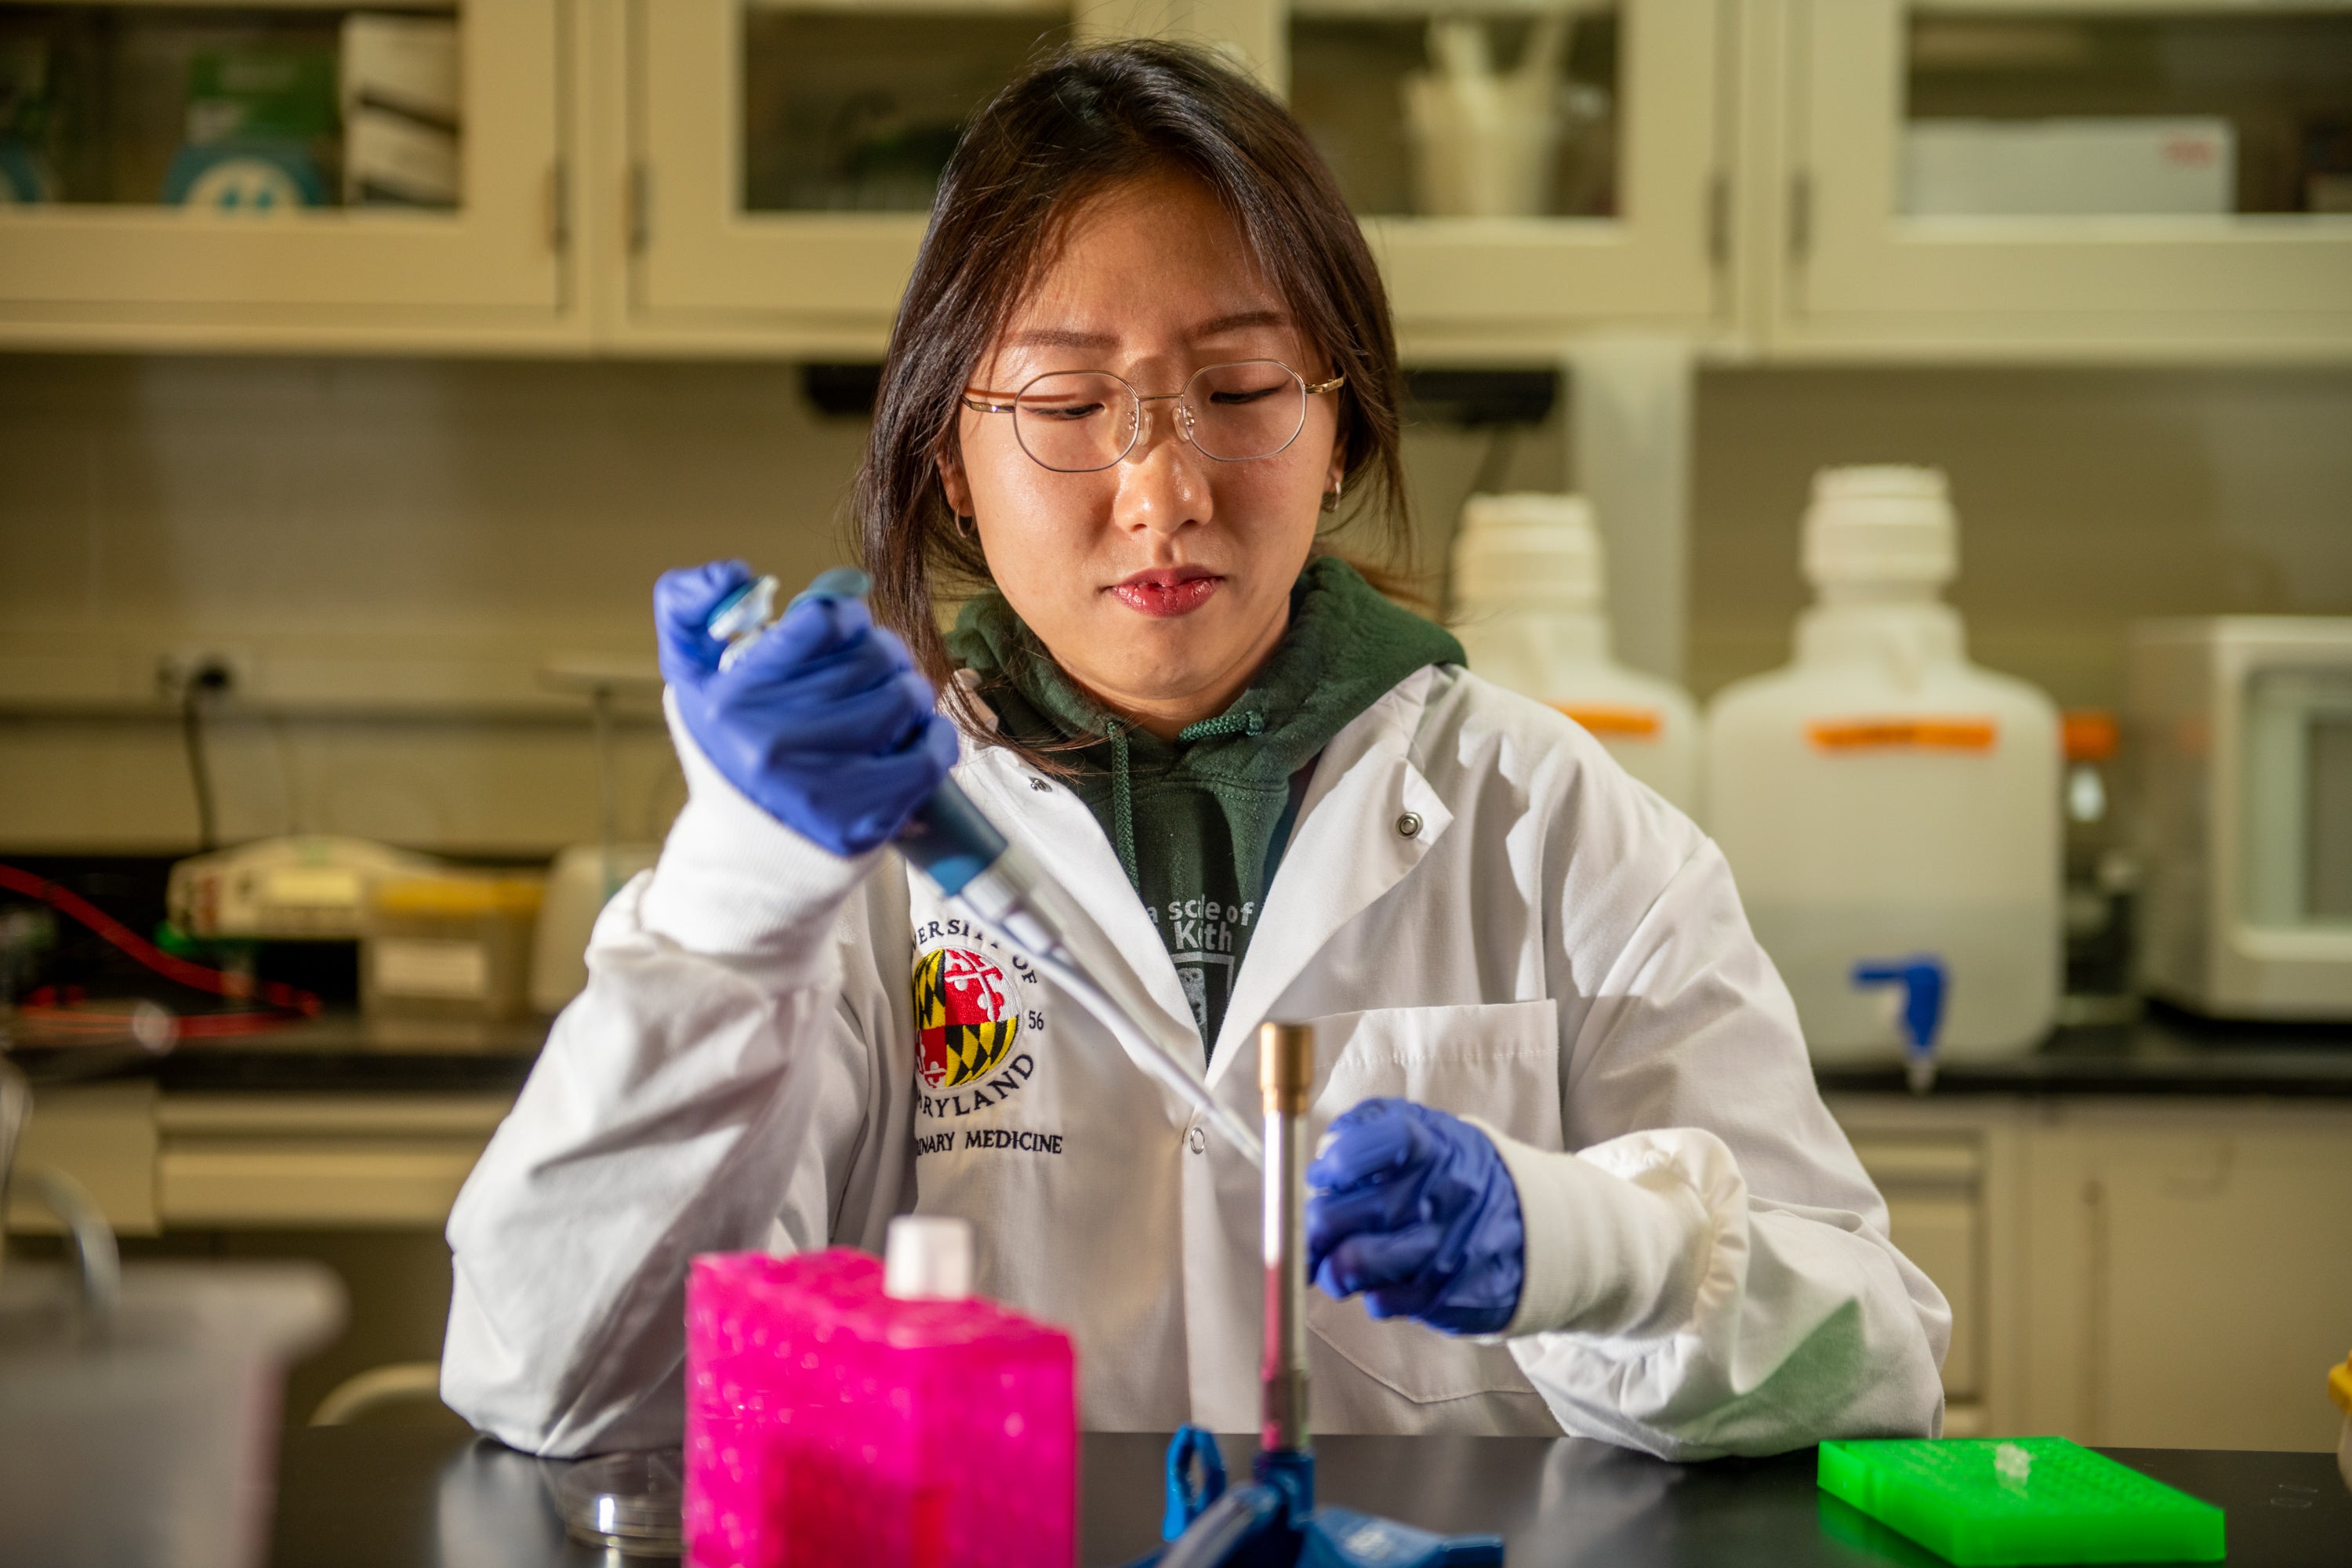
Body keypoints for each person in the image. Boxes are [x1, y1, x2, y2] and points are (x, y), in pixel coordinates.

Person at [442, 40, 1947, 1459]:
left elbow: (1878, 1354)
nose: (1161, 493)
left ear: (1342, 427)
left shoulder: (1553, 824)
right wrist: (730, 895)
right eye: (1066, 405)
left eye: (1237, 393)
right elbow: (562, 1384)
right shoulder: (845, 872)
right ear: (949, 467)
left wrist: (1588, 1251)